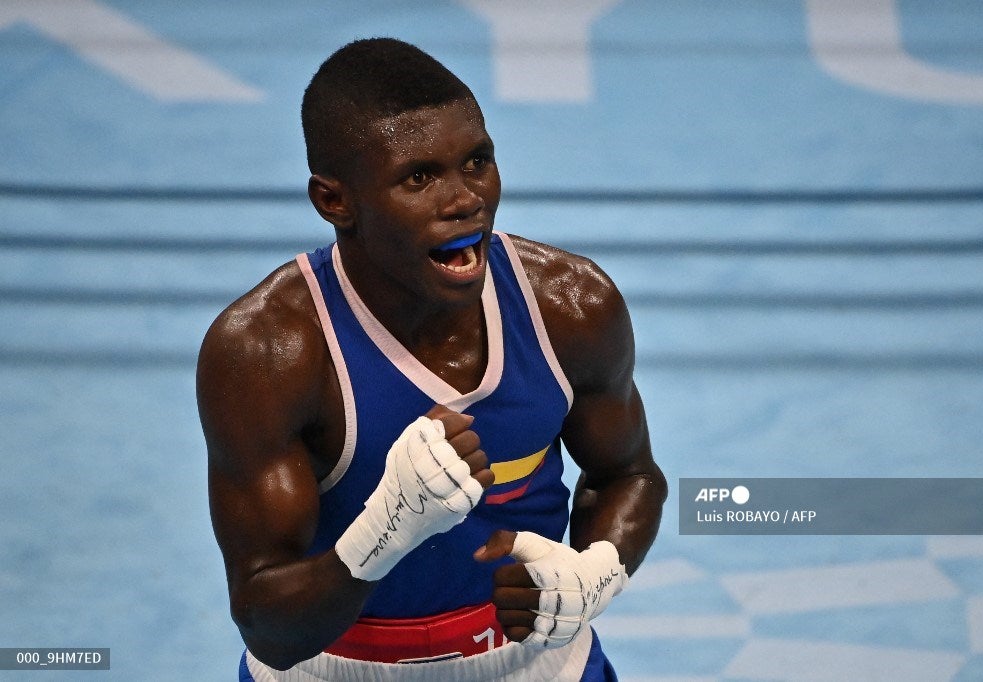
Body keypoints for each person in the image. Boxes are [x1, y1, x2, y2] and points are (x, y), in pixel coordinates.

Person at [197, 37, 667, 681]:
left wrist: (597, 568)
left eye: (477, 162)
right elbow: (270, 629)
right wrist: (383, 531)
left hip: (537, 664)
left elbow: (629, 474)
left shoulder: (572, 307)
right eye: (419, 178)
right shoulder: (269, 353)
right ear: (335, 201)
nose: (464, 199)